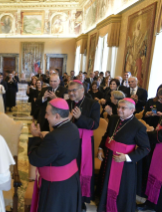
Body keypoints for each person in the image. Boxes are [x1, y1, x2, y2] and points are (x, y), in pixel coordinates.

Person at [97, 98, 150, 212]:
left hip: (124, 164)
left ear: (132, 110)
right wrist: (101, 148)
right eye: (118, 107)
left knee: (120, 190)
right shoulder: (113, 119)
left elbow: (145, 148)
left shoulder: (138, 126)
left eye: (123, 108)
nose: (119, 110)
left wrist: (126, 157)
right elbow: (107, 135)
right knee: (105, 183)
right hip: (109, 158)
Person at [28, 98, 81, 212]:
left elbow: (35, 159)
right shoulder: (73, 127)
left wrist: (35, 137)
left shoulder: (54, 137)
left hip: (56, 187)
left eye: (47, 114)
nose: (45, 117)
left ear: (57, 116)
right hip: (71, 181)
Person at [67, 80, 100, 210]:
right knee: (68, 168)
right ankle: (68, 196)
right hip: (69, 139)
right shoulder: (67, 103)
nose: (71, 93)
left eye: (74, 90)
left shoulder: (93, 104)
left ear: (82, 90)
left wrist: (80, 117)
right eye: (69, 91)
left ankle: (80, 200)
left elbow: (95, 124)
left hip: (84, 142)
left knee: (80, 169)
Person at [137, 120, 162, 212]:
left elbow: (160, 136)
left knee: (159, 180)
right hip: (158, 150)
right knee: (153, 177)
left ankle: (157, 206)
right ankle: (150, 203)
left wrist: (147, 133)